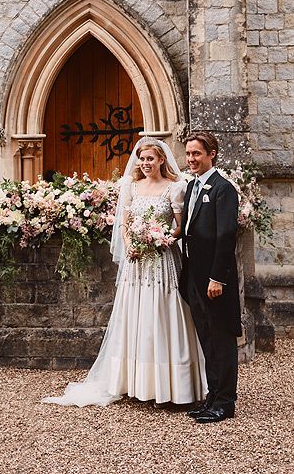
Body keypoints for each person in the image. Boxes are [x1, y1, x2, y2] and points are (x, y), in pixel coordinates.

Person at [43, 138, 205, 407]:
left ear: (161, 160)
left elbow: (180, 227)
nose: (145, 163)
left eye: (150, 159)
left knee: (164, 314)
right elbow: (124, 225)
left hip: (162, 260)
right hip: (136, 263)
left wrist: (161, 238)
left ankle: (172, 385)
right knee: (137, 314)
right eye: (142, 159)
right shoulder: (131, 186)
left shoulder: (175, 188)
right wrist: (131, 245)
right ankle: (135, 381)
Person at [180, 131, 241, 423]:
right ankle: (212, 397)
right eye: (189, 154)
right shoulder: (192, 187)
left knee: (221, 338)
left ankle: (225, 403)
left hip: (215, 281)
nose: (191, 159)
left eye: (196, 154)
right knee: (206, 339)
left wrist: (217, 278)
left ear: (211, 153)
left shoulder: (223, 189)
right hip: (194, 276)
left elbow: (226, 235)